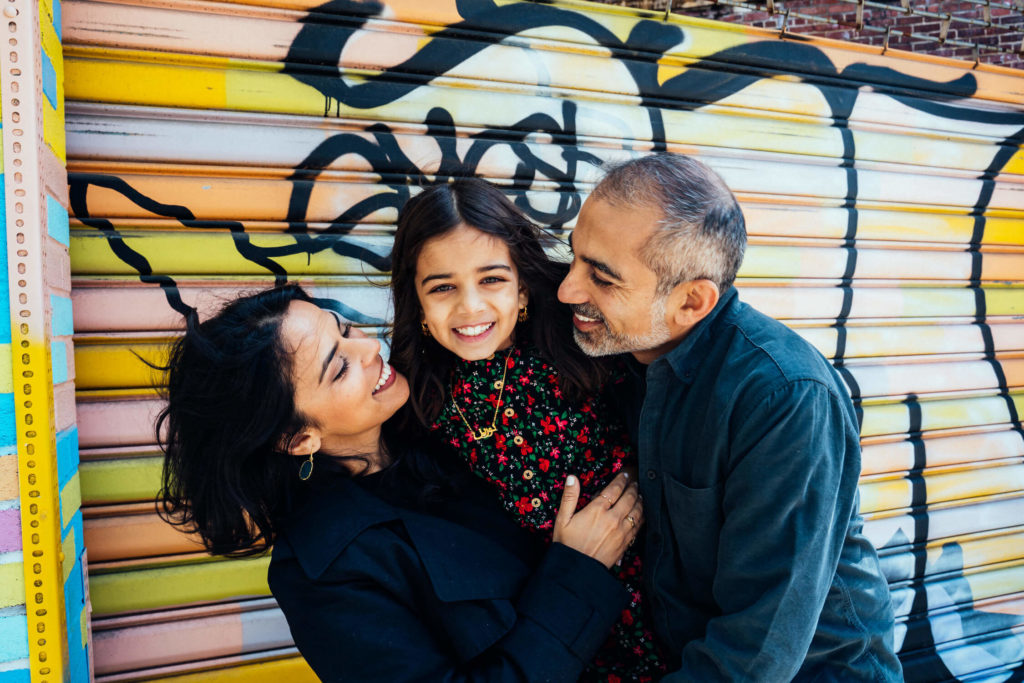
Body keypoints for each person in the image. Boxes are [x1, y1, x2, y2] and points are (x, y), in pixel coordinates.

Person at [156, 284, 646, 682]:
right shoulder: (325, 574)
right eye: (340, 366)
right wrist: (577, 570)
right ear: (298, 437)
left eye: (345, 331)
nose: (370, 347)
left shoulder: (445, 419)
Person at [556, 153, 904, 681]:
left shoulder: (783, 398)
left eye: (603, 278)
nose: (568, 289)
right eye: (574, 257)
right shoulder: (620, 351)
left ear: (692, 302)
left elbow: (759, 648)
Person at [389, 179, 667, 681]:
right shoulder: (417, 403)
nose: (470, 307)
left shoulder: (585, 349)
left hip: (661, 598)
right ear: (418, 303)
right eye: (443, 287)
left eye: (491, 279)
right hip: (554, 626)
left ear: (521, 288)